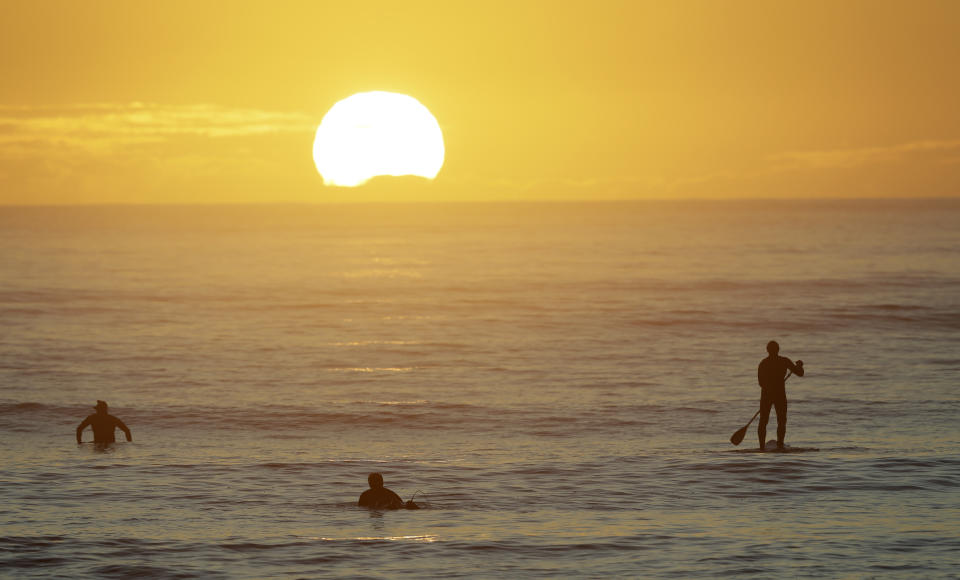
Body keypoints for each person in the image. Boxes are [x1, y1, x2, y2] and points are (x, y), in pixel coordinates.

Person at [757, 341, 804, 450]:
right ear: (778, 349)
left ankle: (761, 448)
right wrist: (800, 365)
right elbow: (800, 373)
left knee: (763, 421)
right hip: (779, 395)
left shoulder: (763, 363)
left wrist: (769, 388)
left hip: (766, 395)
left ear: (767, 350)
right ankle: (780, 446)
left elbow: (760, 382)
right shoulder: (784, 361)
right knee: (781, 420)